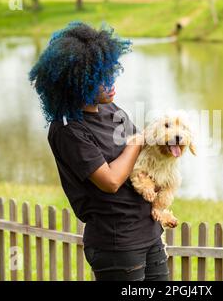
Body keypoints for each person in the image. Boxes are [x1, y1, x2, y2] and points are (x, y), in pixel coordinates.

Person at [29, 22, 169, 281]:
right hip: (118, 244)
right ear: (78, 84)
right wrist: (136, 142)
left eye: (109, 71)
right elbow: (111, 181)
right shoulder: (68, 128)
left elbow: (144, 153)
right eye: (99, 78)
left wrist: (168, 138)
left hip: (149, 233)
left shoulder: (110, 108)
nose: (110, 81)